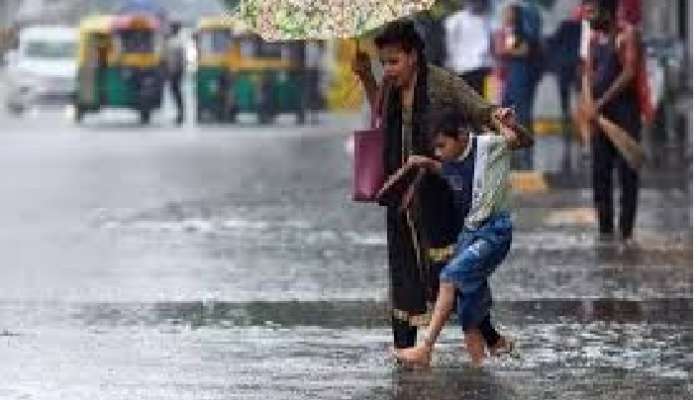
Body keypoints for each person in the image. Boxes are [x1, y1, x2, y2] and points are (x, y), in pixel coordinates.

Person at [351, 19, 517, 356]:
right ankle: (406, 352)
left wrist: (500, 118)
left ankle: (491, 339)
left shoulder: (442, 84)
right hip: (400, 190)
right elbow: (380, 115)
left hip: (440, 192)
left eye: (393, 61)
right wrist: (367, 76)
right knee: (403, 273)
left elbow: (478, 110)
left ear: (413, 56)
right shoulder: (389, 86)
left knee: (449, 271)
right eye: (384, 62)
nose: (389, 69)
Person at [392, 107, 532, 367]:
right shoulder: (451, 161)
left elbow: (513, 140)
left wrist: (506, 124)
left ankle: (425, 348)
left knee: (449, 277)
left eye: (442, 145)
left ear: (461, 135)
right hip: (470, 232)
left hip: (493, 231)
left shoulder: (487, 146)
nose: (438, 152)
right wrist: (422, 163)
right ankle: (482, 366)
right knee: (468, 309)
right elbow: (444, 169)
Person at [580, 0, 642, 245]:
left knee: (628, 175)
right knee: (600, 174)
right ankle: (605, 232)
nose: (588, 17)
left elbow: (629, 71)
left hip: (625, 114)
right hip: (599, 118)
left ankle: (626, 233)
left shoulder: (627, 34)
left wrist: (601, 102)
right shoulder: (595, 40)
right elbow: (587, 73)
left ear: (607, 11)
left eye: (592, 12)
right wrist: (588, 104)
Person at [494, 3, 541, 170]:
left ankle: (526, 158)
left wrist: (507, 50)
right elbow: (499, 50)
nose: (506, 16)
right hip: (506, 78)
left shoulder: (521, 32)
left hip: (520, 76)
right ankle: (511, 156)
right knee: (504, 115)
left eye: (510, 13)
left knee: (523, 115)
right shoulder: (502, 32)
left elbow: (523, 51)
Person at [443, 0, 493, 96]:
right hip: (463, 68)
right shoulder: (455, 20)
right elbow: (450, 45)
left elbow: (490, 43)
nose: (476, 3)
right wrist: (451, 65)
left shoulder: (487, 20)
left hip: (482, 67)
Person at [165, 21, 185, 125]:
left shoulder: (176, 42)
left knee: (177, 93)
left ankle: (180, 114)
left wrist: (177, 71)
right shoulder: (174, 41)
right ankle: (179, 114)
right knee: (175, 93)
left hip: (175, 72)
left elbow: (180, 61)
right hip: (173, 71)